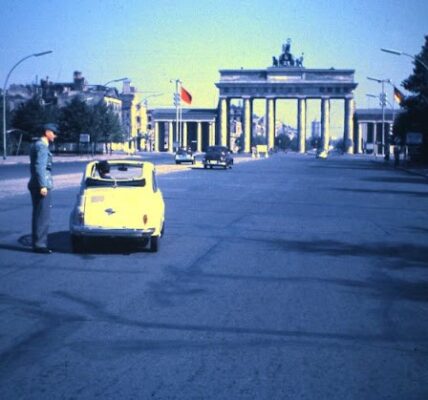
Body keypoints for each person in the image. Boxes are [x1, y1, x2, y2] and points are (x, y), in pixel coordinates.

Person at [28, 123, 59, 254]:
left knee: (39, 214)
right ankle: (40, 245)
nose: (55, 136)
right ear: (47, 132)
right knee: (42, 216)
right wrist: (43, 185)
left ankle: (38, 242)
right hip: (41, 184)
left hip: (36, 183)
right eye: (54, 133)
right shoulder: (41, 146)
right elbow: (39, 167)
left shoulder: (37, 144)